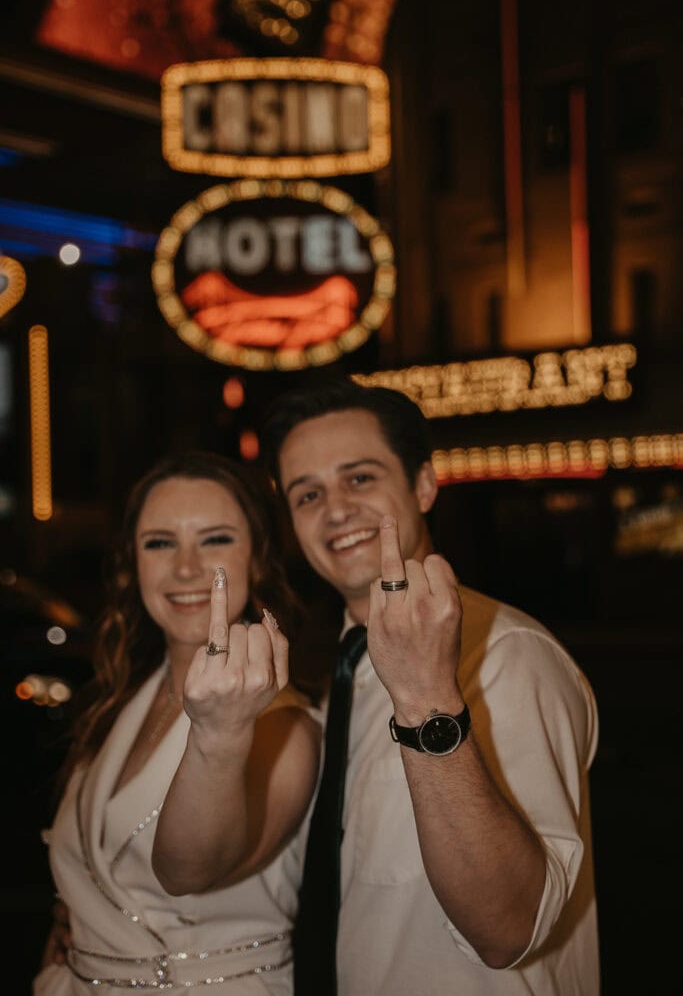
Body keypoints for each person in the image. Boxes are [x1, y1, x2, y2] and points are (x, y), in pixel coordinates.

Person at [259, 377, 600, 996]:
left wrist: (425, 701)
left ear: (423, 484)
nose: (335, 509)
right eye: (307, 494)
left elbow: (508, 929)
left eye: (360, 478)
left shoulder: (507, 655)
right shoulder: (338, 671)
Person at [34, 451, 320, 995]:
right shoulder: (127, 697)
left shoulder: (288, 722)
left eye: (215, 539)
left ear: (257, 558)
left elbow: (189, 873)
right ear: (131, 563)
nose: (186, 568)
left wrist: (220, 732)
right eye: (159, 542)